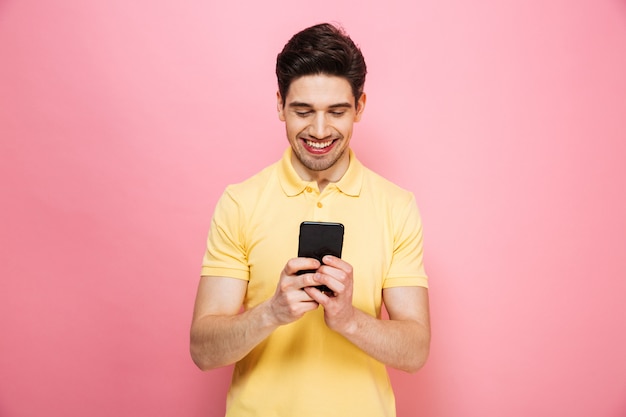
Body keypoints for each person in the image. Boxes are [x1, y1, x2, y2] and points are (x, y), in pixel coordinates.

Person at [190, 22, 430, 417]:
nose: (319, 131)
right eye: (303, 111)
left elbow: (415, 350)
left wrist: (349, 320)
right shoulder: (240, 202)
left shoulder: (396, 206)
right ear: (280, 104)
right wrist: (272, 312)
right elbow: (203, 351)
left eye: (337, 112)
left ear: (360, 107)